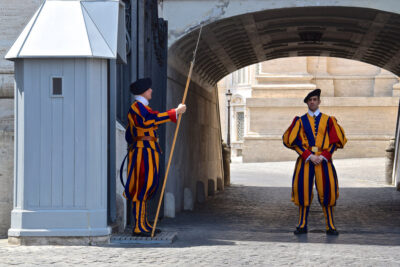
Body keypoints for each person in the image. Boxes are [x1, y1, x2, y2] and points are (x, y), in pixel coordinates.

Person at [123, 77, 186, 236]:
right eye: (149, 89)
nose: (151, 91)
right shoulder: (136, 108)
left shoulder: (144, 107)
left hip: (148, 149)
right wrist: (174, 112)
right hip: (141, 150)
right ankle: (138, 226)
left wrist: (174, 113)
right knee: (141, 187)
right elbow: (148, 121)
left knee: (147, 186)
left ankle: (143, 224)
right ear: (143, 91)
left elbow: (154, 118)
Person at [282, 89, 346, 235]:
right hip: (305, 161)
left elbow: (335, 141)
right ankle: (302, 224)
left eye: (315, 99)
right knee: (303, 191)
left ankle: (330, 225)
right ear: (307, 103)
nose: (312, 102)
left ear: (319, 101)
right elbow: (293, 142)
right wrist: (309, 156)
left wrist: (323, 156)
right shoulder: (300, 121)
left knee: (328, 191)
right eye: (310, 100)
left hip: (324, 161)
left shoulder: (329, 120)